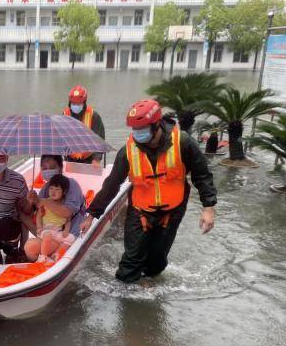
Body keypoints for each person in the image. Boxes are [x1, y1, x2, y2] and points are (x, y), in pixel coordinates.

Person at [80, 99, 217, 284]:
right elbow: (112, 184)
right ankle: (126, 300)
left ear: (156, 124)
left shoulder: (182, 142)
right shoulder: (128, 151)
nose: (138, 134)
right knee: (131, 262)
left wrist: (208, 207)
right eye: (134, 129)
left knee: (157, 261)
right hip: (140, 210)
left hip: (173, 209)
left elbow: (202, 174)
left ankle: (149, 284)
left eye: (142, 129)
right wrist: (91, 215)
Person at [24, 155, 85, 262]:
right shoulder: (45, 188)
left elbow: (67, 213)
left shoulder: (71, 184)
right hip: (49, 232)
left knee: (51, 249)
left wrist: (43, 201)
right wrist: (31, 201)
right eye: (44, 168)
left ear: (60, 168)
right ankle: (41, 261)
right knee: (29, 247)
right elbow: (38, 212)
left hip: (68, 234)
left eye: (52, 167)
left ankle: (52, 255)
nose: (48, 171)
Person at [34, 174, 75, 263]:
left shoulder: (65, 207)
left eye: (57, 189)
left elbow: (68, 220)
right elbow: (38, 216)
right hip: (45, 230)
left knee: (71, 238)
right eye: (51, 188)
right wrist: (39, 227)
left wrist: (66, 231)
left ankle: (56, 253)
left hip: (57, 232)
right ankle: (43, 257)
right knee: (48, 235)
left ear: (64, 192)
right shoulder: (45, 202)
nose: (53, 192)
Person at [63, 85, 106, 166]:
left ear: (84, 102)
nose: (76, 105)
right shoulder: (65, 114)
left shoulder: (94, 116)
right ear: (70, 102)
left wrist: (96, 158)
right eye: (74, 103)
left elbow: (100, 138)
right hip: (69, 158)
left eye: (79, 103)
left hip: (89, 159)